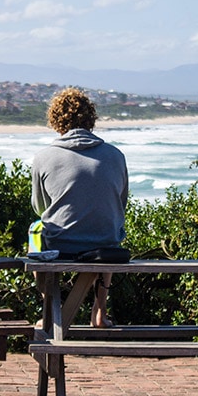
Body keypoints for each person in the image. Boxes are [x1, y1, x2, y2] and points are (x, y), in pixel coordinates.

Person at [31, 87, 128, 328]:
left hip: (60, 245)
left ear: (55, 121)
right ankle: (100, 311)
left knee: (35, 232)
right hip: (106, 245)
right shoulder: (115, 155)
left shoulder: (44, 157)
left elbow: (39, 206)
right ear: (90, 119)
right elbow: (121, 202)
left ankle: (51, 309)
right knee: (109, 229)